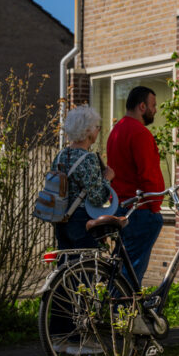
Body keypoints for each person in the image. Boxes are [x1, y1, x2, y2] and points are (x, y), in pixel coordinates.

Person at [107, 86, 165, 289]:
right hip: (139, 211)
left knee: (121, 269)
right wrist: (155, 208)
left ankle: (114, 303)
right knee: (131, 274)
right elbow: (148, 175)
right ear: (142, 106)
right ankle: (123, 307)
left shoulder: (116, 131)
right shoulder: (140, 133)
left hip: (120, 207)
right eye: (153, 105)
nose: (155, 110)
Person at [52, 105, 115, 250]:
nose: (98, 130)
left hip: (60, 218)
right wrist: (107, 178)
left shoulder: (60, 155)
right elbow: (97, 198)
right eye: (97, 127)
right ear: (87, 131)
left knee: (66, 261)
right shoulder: (88, 159)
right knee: (85, 262)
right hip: (81, 220)